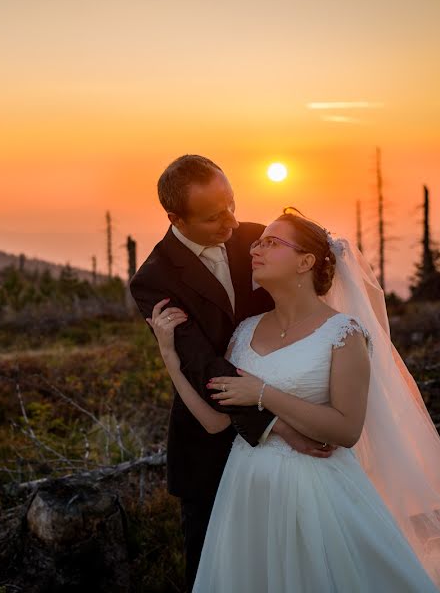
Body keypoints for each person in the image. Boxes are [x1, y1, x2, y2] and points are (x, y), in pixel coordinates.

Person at [146, 208, 440, 592]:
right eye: (258, 242)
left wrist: (263, 393)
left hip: (318, 495)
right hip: (246, 498)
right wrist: (171, 359)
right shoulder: (243, 333)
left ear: (306, 262)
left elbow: (345, 429)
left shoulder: (343, 333)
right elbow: (215, 422)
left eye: (271, 242)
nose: (255, 249)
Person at [128, 155, 337, 589]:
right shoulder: (154, 279)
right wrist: (277, 424)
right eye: (213, 216)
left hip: (289, 447)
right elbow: (204, 366)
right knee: (216, 573)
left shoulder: (254, 240)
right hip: (211, 448)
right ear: (175, 218)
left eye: (232, 205)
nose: (231, 222)